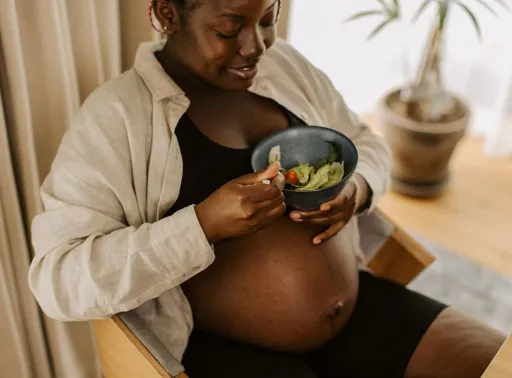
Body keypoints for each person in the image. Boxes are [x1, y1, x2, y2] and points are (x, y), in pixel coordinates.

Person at [28, 0, 505, 377]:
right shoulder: (115, 119)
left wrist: (356, 189)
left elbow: (364, 142)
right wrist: (202, 226)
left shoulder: (284, 69)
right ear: (166, 14)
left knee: (495, 360)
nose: (255, 47)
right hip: (221, 349)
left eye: (268, 19)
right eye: (229, 28)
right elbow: (57, 279)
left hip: (358, 309)